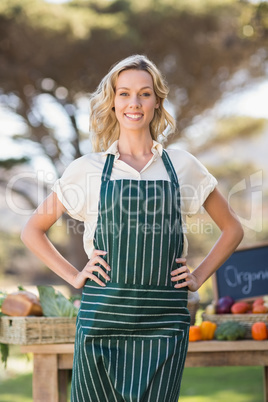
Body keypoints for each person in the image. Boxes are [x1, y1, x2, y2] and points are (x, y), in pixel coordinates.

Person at [21, 54, 244, 401]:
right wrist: (75, 276)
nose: (134, 103)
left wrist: (198, 276)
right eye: (123, 94)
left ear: (157, 101)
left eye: (144, 93)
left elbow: (232, 229)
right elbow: (32, 230)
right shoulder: (88, 169)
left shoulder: (183, 166)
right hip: (101, 320)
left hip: (164, 323)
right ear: (112, 102)